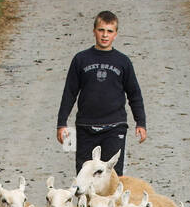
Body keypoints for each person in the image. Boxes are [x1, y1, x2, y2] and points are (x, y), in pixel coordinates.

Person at [55, 11, 147, 175]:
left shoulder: (123, 61)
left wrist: (141, 122)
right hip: (85, 127)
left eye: (109, 31)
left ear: (115, 34)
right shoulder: (81, 59)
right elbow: (69, 93)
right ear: (94, 31)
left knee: (112, 177)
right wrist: (61, 124)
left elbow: (134, 94)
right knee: (84, 176)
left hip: (115, 127)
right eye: (101, 30)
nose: (105, 35)